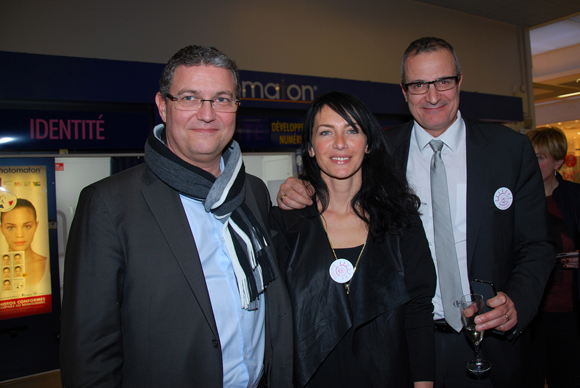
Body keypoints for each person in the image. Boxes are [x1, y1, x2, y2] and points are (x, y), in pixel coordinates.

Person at [277, 37, 554, 388]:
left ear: (459, 81)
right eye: (419, 84)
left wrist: (517, 301)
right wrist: (298, 187)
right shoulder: (381, 153)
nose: (433, 95)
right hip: (407, 348)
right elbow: (336, 183)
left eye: (443, 81)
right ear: (404, 91)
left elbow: (537, 244)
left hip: (493, 342)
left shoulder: (509, 150)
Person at [60, 45, 292, 388]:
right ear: (162, 106)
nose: (207, 114)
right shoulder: (109, 204)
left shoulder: (252, 192)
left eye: (222, 99)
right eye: (189, 97)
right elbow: (90, 353)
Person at [272, 92, 436, 388]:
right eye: (325, 132)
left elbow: (419, 311)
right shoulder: (285, 224)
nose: (340, 143)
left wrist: (423, 385)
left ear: (369, 143)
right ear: (310, 147)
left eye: (352, 130)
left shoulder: (402, 221)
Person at [526, 126, 580, 388]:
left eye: (540, 157)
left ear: (558, 161)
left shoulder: (575, 197)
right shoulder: (515, 200)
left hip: (569, 314)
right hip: (530, 315)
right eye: (529, 156)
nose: (532, 163)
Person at [0, 198, 47, 287]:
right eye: (10, 227)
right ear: (1, 228)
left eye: (27, 226)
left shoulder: (48, 265)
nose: (19, 235)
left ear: (36, 226)